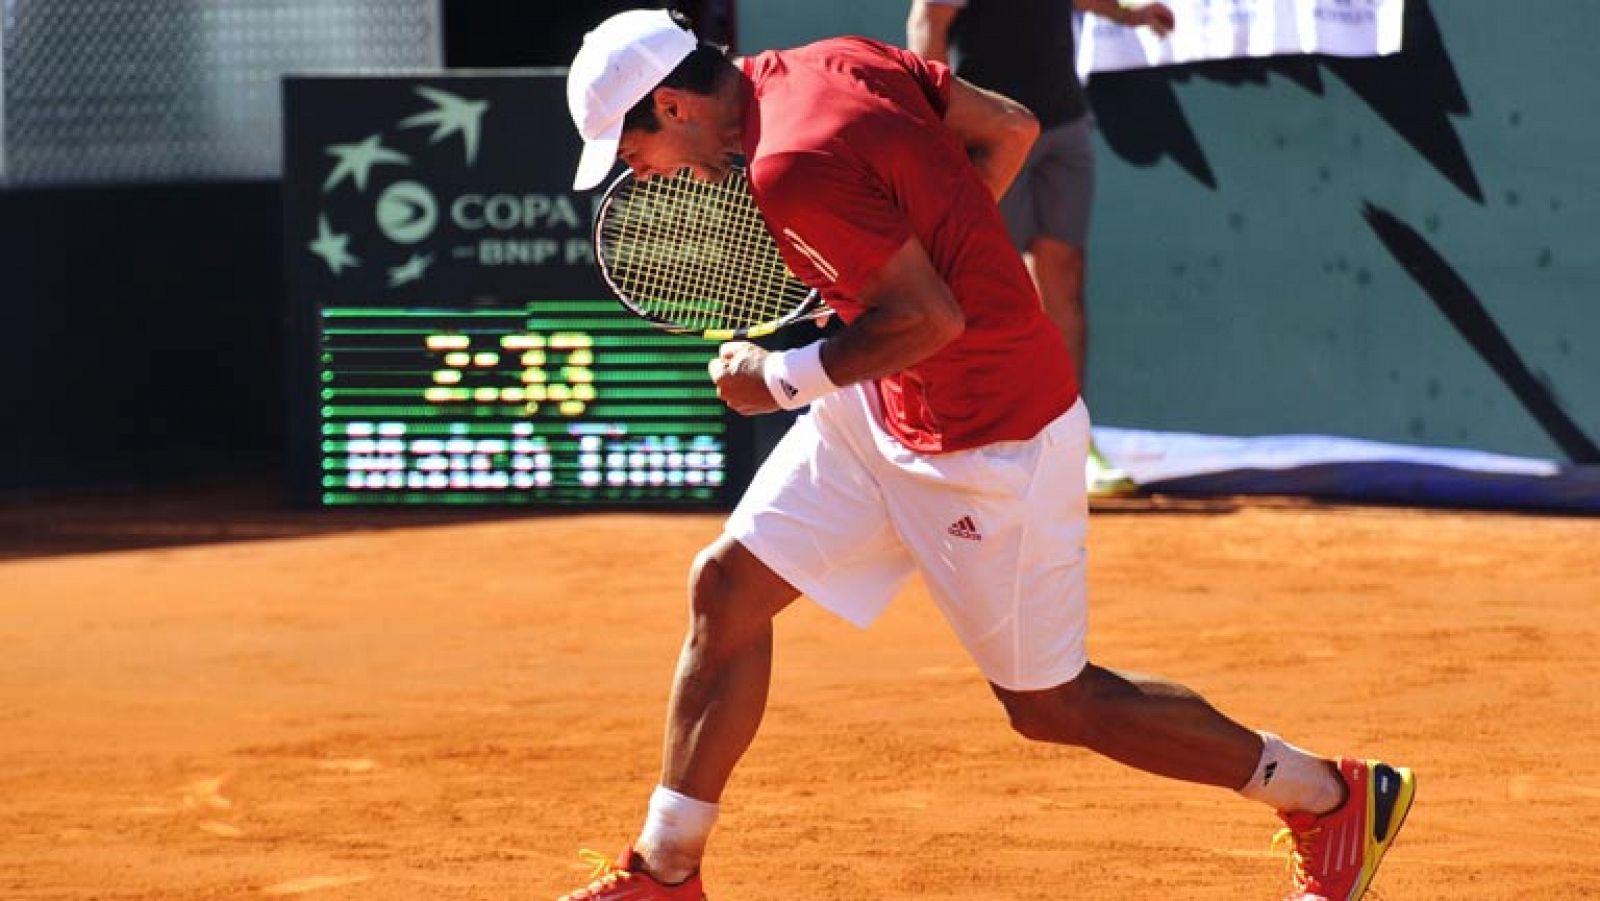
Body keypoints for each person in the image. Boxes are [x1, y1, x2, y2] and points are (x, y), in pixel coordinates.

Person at [559, 9, 1414, 901]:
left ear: (671, 104)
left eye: (628, 147)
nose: (636, 170)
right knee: (728, 588)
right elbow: (1010, 128)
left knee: (1052, 705)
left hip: (988, 434)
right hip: (881, 408)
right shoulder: (840, 59)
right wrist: (935, 249)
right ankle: (665, 871)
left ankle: (1330, 795)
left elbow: (930, 319)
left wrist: (777, 378)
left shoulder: (790, 165)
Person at [906, 0, 1174, 497]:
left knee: (1064, 276)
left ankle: (1070, 444)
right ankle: (979, 441)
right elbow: (929, 21)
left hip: (1064, 124)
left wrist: (1132, 13)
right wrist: (936, 127)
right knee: (983, 288)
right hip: (991, 134)